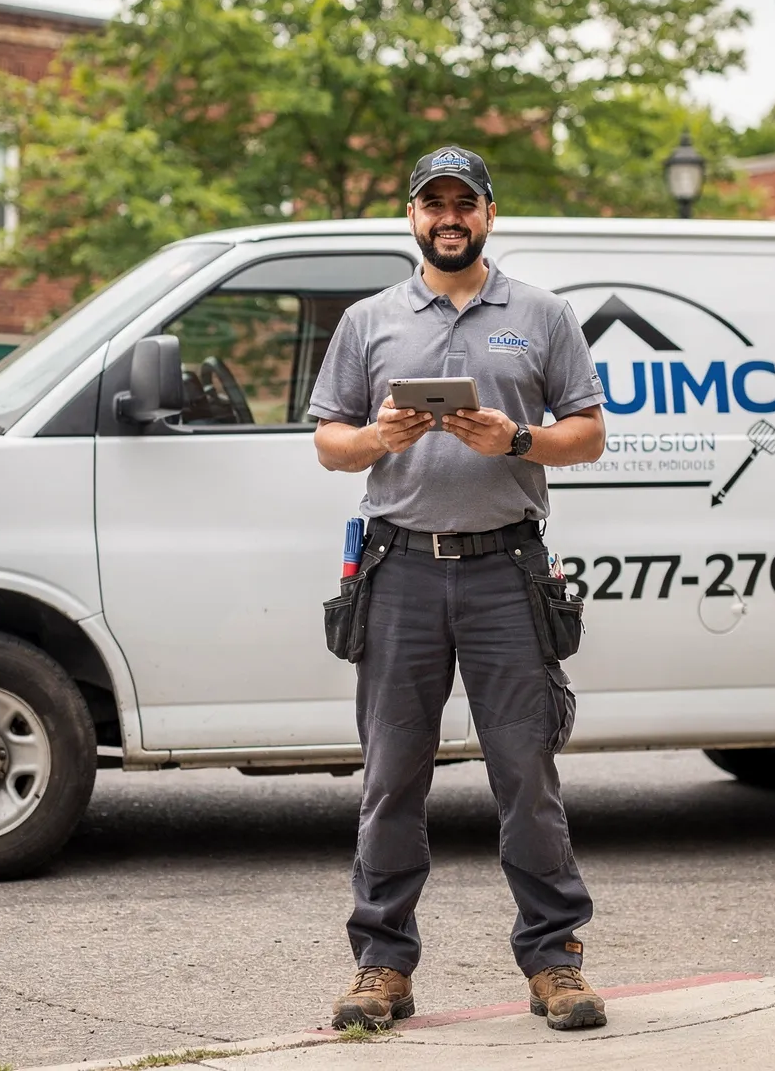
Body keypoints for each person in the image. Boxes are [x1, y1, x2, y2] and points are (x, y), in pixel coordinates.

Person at [306, 145, 610, 1032]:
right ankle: (382, 966)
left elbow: (588, 434)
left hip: (507, 572)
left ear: (488, 214)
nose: (449, 217)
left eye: (463, 203)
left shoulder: (543, 314)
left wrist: (515, 440)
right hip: (398, 570)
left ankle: (554, 961)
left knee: (526, 773)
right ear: (412, 216)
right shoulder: (368, 320)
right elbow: (328, 442)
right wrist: (381, 438)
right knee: (391, 778)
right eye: (432, 203)